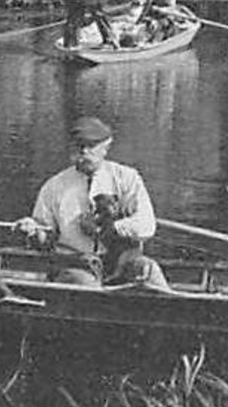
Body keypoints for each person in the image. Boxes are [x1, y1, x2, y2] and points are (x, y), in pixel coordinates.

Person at [12, 116, 168, 288]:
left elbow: (147, 225)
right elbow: (46, 238)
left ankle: (177, 309)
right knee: (86, 285)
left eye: (91, 146)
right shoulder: (54, 187)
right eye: (79, 147)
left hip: (122, 264)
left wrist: (109, 229)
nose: (84, 152)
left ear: (106, 148)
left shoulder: (127, 179)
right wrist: (33, 231)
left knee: (148, 270)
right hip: (75, 265)